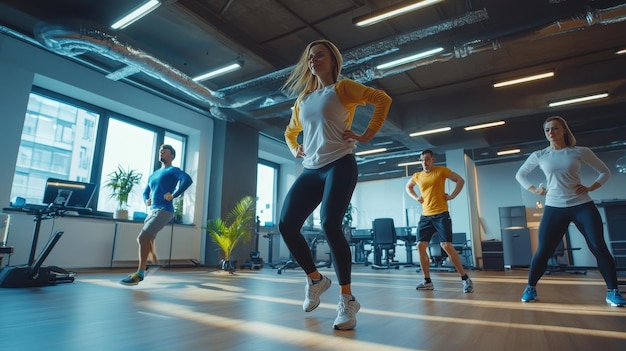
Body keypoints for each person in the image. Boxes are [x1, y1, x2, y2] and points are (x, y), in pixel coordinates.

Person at [278, 39, 391, 330]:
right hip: (311, 169)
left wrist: (366, 134)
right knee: (287, 224)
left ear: (332, 61)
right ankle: (316, 279)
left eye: (320, 55)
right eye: (310, 57)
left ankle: (347, 299)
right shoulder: (303, 100)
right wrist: (295, 148)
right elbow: (291, 131)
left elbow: (382, 99)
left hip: (340, 163)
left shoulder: (343, 88)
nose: (314, 60)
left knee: (330, 224)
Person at [515, 116, 626, 306]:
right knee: (543, 250)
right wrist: (535, 190)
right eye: (547, 130)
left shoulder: (579, 151)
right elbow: (520, 175)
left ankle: (613, 291)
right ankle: (530, 288)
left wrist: (591, 187)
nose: (551, 132)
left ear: (564, 130)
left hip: (581, 204)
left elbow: (604, 171)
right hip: (554, 206)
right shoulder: (540, 155)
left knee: (598, 246)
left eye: (555, 128)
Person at [121, 144, 193, 286]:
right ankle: (146, 266)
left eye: (164, 151)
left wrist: (173, 195)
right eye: (160, 151)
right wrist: (145, 199)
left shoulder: (173, 170)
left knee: (142, 237)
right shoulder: (153, 174)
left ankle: (140, 273)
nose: (161, 153)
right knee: (145, 240)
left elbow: (187, 180)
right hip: (153, 210)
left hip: (164, 210)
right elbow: (145, 191)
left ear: (171, 155)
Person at [405, 149, 474, 293]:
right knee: (420, 246)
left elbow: (460, 180)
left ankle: (465, 278)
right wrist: (416, 197)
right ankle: (427, 281)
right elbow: (408, 187)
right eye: (423, 160)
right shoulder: (417, 176)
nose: (425, 162)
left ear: (433, 160)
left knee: (446, 245)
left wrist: (453, 196)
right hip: (426, 216)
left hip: (441, 214)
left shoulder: (441, 171)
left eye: (428, 159)